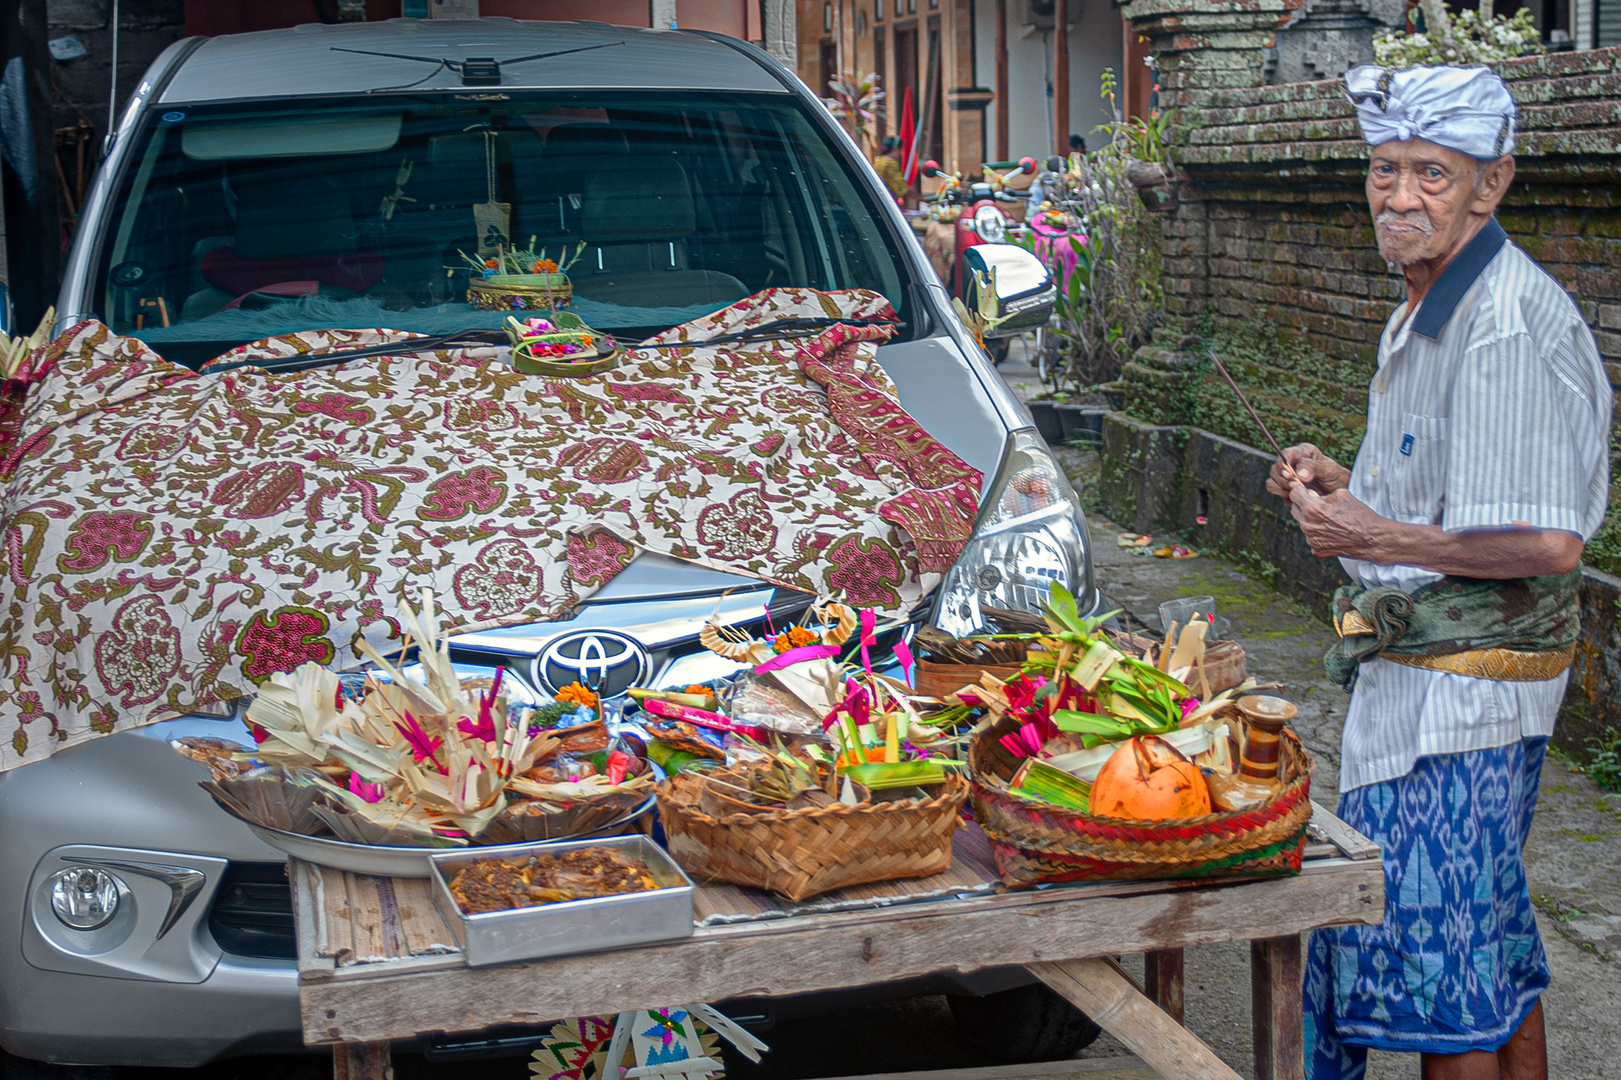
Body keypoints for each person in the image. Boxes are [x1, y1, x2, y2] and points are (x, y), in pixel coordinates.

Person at [1268, 65, 1611, 1080]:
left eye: (1430, 172)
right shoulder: (1426, 306)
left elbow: (1545, 542)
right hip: (1434, 695)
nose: (1400, 196)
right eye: (1384, 169)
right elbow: (1442, 490)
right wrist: (1344, 482)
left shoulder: (1498, 325)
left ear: (1489, 183)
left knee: (1434, 987)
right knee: (1485, 953)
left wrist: (1377, 529)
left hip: (1462, 712)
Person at [873, 135, 911, 206]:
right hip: (887, 203)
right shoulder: (890, 163)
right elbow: (902, 188)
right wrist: (922, 199)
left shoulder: (877, 160)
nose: (900, 154)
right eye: (900, 150)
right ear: (895, 149)